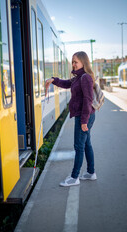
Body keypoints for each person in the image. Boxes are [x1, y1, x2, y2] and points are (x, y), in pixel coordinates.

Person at [45, 51, 97, 187]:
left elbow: (88, 99)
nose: (73, 64)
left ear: (83, 63)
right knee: (86, 144)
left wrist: (84, 121)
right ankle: (91, 173)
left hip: (84, 115)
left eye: (76, 62)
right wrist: (54, 80)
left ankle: (74, 177)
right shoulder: (78, 77)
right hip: (85, 115)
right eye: (72, 62)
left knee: (79, 146)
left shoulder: (85, 77)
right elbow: (67, 83)